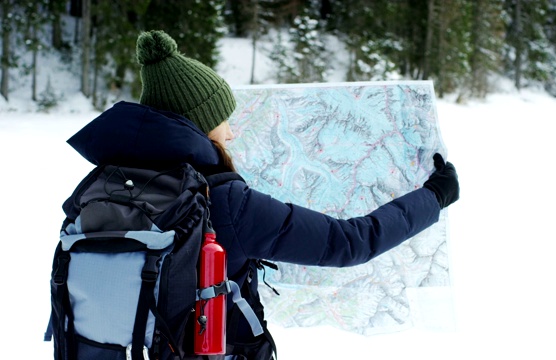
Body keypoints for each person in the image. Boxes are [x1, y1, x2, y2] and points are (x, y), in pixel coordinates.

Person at [66, 30, 459, 360]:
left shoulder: (106, 186)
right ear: (199, 125)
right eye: (222, 120)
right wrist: (433, 197)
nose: (232, 133)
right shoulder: (222, 201)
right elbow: (349, 243)